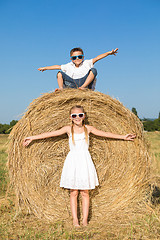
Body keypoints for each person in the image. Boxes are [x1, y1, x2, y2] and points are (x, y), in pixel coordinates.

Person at [23, 105, 136, 227]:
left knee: (85, 192)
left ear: (84, 116)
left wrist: (123, 137)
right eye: (74, 115)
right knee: (73, 192)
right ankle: (75, 220)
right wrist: (32, 138)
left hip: (85, 161)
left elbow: (105, 134)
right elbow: (51, 134)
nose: (77, 117)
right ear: (70, 118)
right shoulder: (68, 129)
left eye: (80, 115)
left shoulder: (88, 129)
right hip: (72, 161)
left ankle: (84, 220)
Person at [38, 47, 118, 91]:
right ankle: (61, 89)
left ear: (83, 57)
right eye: (74, 57)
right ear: (71, 59)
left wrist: (108, 53)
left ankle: (83, 87)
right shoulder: (68, 66)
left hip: (85, 82)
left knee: (94, 70)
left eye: (79, 57)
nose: (77, 59)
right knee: (59, 73)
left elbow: (97, 58)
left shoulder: (87, 63)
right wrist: (45, 68)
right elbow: (57, 66)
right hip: (72, 84)